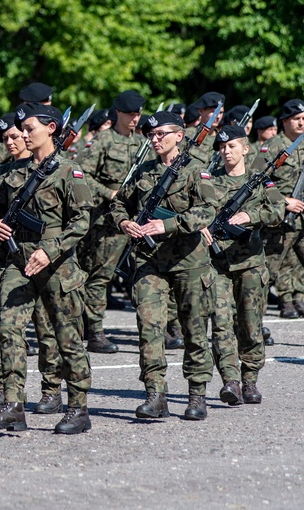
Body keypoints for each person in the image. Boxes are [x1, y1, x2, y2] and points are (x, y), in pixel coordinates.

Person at [0, 103, 93, 434]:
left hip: (56, 265)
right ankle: (14, 405)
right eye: (21, 130)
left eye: (29, 129)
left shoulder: (69, 171)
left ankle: (77, 408)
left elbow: (82, 220)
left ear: (51, 129)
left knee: (66, 334)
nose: (22, 135)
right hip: (17, 260)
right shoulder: (13, 172)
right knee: (7, 327)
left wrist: (50, 249)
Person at [110, 111, 219, 421]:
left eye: (161, 134)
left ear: (178, 136)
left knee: (194, 328)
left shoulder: (197, 171)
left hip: (189, 261)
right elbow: (118, 203)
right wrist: (124, 221)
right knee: (149, 328)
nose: (155, 139)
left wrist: (168, 225)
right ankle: (155, 395)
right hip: (149, 262)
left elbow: (208, 211)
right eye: (151, 135)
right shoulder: (142, 172)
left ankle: (197, 394)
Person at [204, 125, 285, 405]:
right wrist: (201, 227)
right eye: (222, 147)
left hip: (251, 264)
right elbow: (196, 210)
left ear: (245, 148)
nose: (226, 152)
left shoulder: (260, 180)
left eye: (232, 147)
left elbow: (278, 210)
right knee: (221, 326)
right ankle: (231, 382)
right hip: (218, 265)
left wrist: (249, 216)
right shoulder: (210, 181)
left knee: (250, 325)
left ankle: (250, 380)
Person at [75, 90, 145, 354]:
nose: (135, 119)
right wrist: (110, 193)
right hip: (106, 221)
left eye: (138, 114)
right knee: (99, 277)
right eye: (130, 114)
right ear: (118, 113)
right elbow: (82, 175)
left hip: (134, 219)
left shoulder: (142, 144)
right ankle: (94, 332)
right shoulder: (104, 140)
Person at [262, 99, 304, 319]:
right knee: (275, 263)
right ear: (285, 121)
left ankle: (298, 296)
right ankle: (283, 300)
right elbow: (257, 179)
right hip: (282, 216)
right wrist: (283, 200)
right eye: (297, 119)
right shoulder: (272, 147)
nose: (301, 123)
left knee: (298, 262)